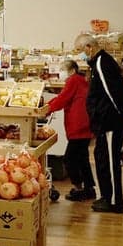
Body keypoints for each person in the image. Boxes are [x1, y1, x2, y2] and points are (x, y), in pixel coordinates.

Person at [75, 33, 123, 214]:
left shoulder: (101, 63)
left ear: (89, 48)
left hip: (110, 122)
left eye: (80, 51)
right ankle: (106, 196)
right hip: (103, 123)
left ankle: (115, 202)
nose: (80, 56)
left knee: (110, 162)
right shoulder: (99, 63)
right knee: (102, 160)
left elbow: (113, 91)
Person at [39, 59, 96, 201]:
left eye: (62, 69)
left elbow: (62, 99)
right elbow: (62, 98)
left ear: (72, 70)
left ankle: (79, 188)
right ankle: (89, 188)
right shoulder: (81, 81)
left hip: (78, 126)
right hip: (85, 125)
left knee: (70, 159)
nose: (60, 72)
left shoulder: (73, 81)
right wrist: (47, 106)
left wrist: (45, 110)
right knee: (82, 159)